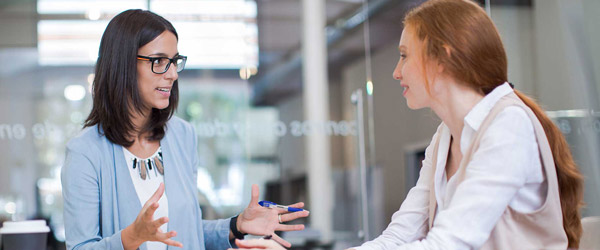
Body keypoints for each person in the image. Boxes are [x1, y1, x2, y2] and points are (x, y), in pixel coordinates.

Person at [61, 9, 309, 250]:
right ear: (122, 64)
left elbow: (186, 233)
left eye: (174, 62)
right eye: (158, 61)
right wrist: (130, 238)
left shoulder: (181, 136)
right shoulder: (85, 152)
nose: (172, 75)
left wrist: (237, 225)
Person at [347, 0, 584, 249]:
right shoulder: (444, 137)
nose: (396, 72)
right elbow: (397, 237)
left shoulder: (508, 125)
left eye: (404, 56)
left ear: (441, 58)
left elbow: (449, 243)